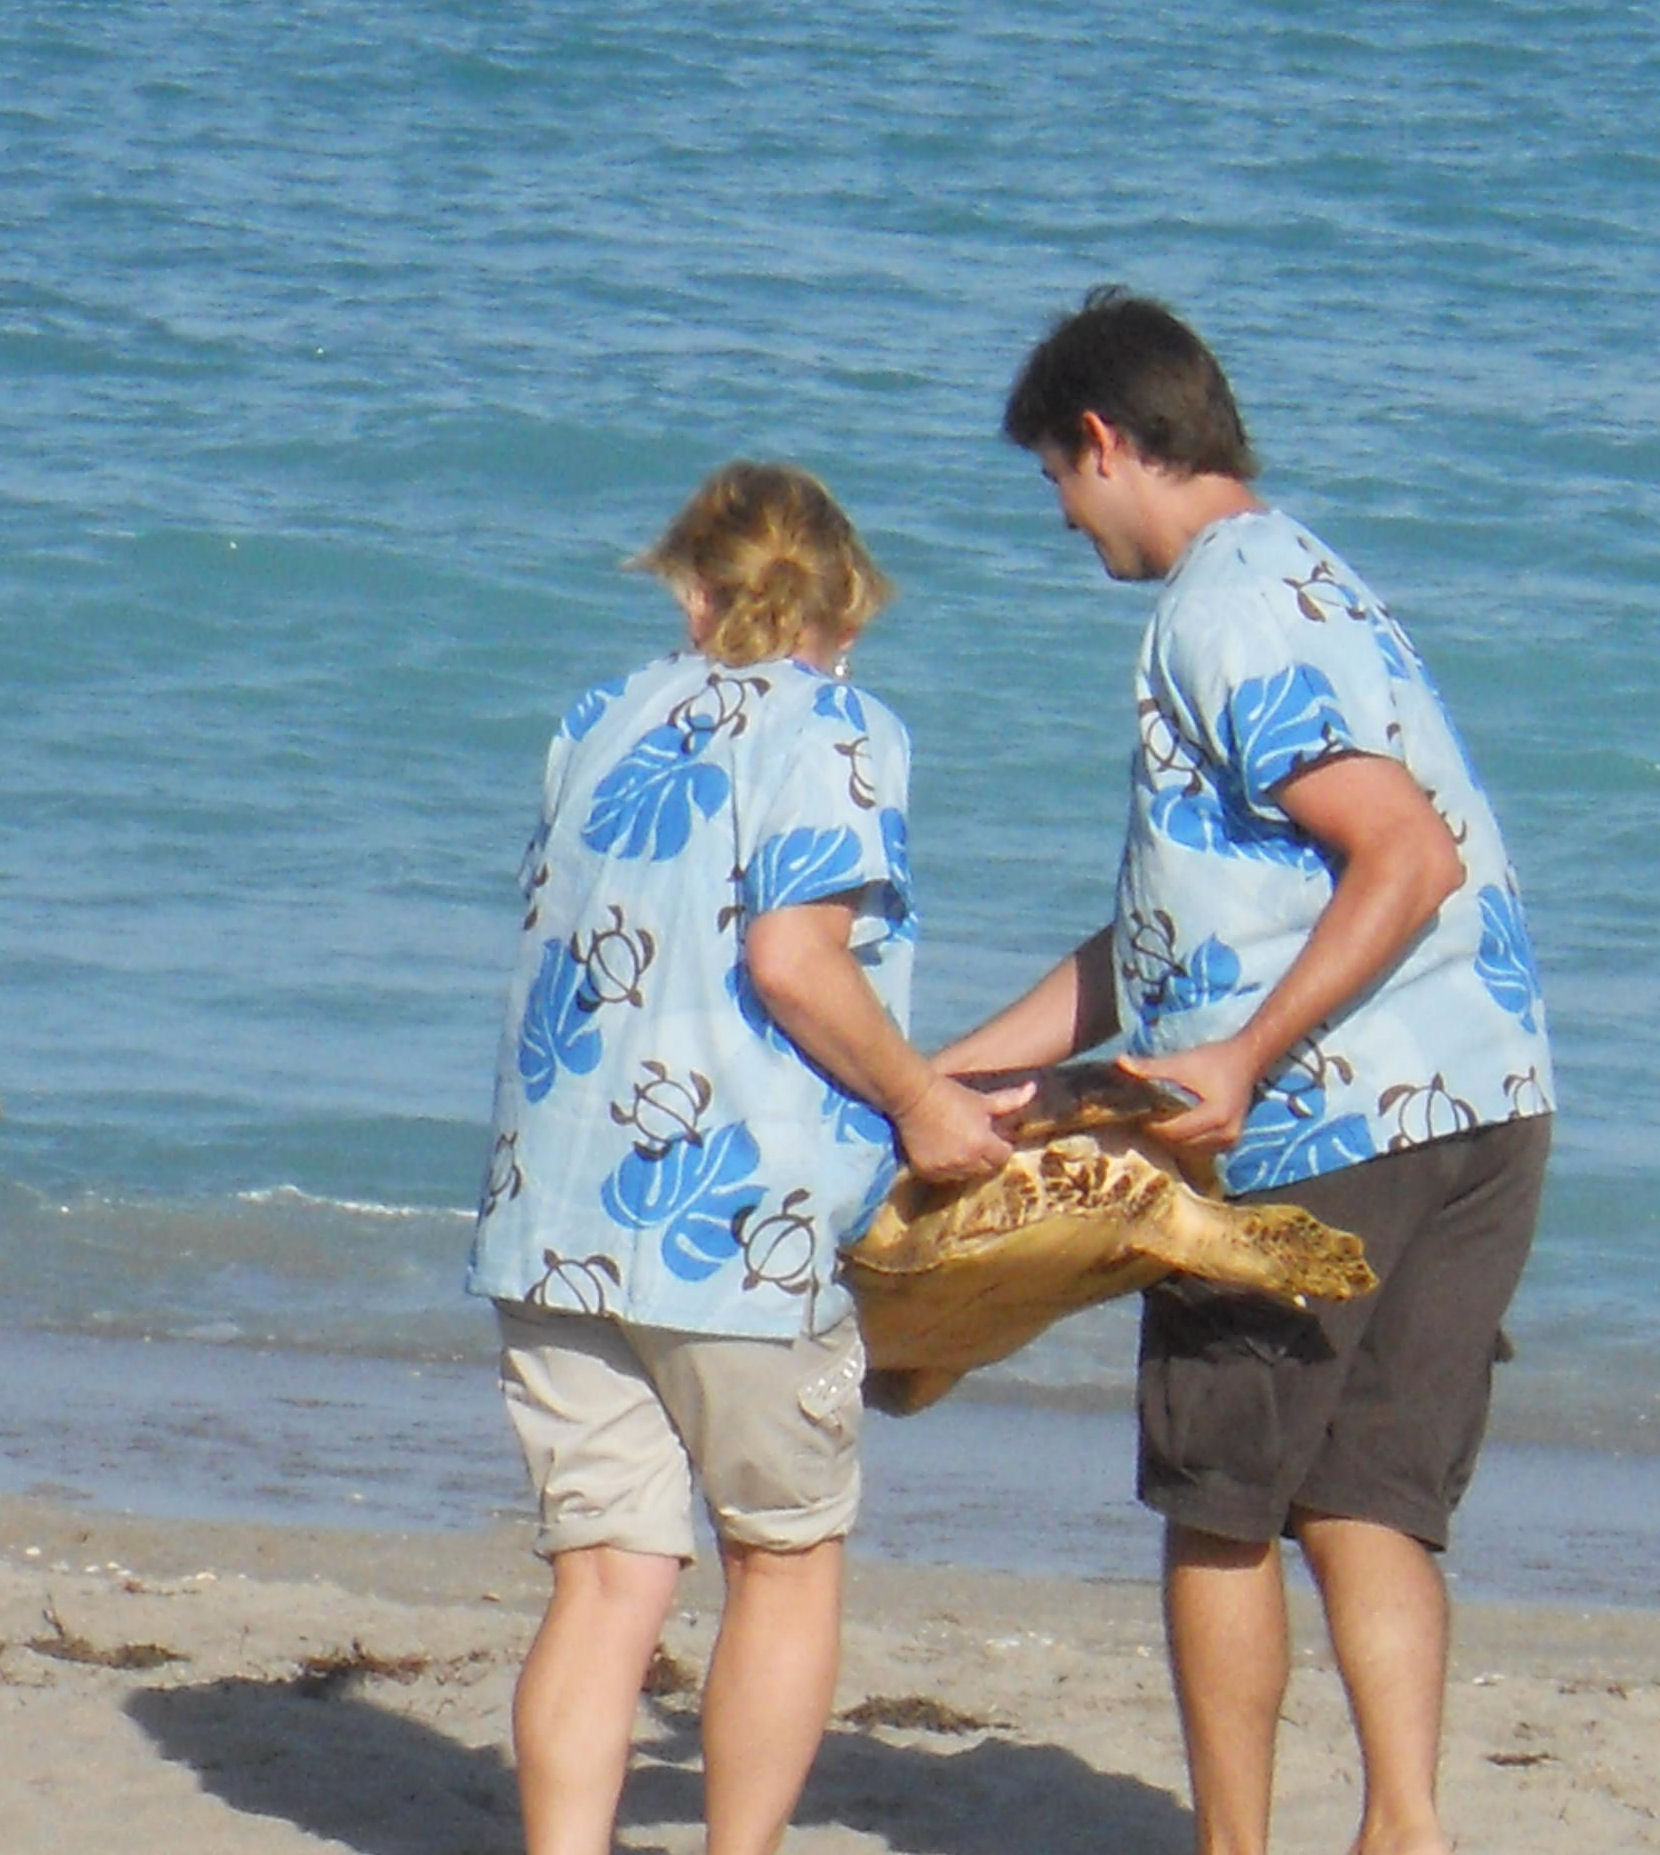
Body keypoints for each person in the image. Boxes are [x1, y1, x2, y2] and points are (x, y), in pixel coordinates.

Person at [936, 290, 1555, 1855]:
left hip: (1322, 1124)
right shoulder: (1322, 581)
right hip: (1479, 1097)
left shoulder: (1220, 610)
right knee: (1367, 1498)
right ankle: (1405, 1829)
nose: (1066, 522)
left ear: (1103, 440)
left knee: (1219, 1501)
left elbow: (1400, 855)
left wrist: (1243, 1053)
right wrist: (950, 1070)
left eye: (1057, 480)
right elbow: (1175, 932)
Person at [467, 461, 1025, 1855]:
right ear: (849, 607)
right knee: (783, 1556)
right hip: (740, 1228)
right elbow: (793, 959)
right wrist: (923, 1100)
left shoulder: (598, 718)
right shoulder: (839, 730)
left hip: (555, 1205)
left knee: (605, 1582)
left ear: (690, 591)